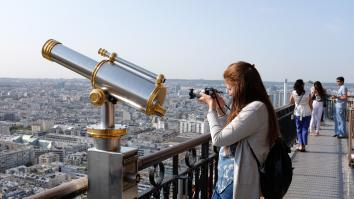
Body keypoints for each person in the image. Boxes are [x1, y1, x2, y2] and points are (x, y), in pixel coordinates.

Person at [199, 61, 279, 198]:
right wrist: (220, 108)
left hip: (236, 182)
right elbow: (231, 132)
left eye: (230, 88)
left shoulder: (255, 109)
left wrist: (211, 108)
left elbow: (218, 139)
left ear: (241, 86)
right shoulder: (255, 107)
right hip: (226, 180)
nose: (229, 94)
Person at [289, 79, 312, 152]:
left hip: (298, 112)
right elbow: (310, 103)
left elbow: (291, 102)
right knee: (305, 129)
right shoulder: (307, 93)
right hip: (307, 112)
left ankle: (301, 145)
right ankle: (303, 145)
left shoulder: (293, 92)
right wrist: (311, 110)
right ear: (302, 85)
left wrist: (296, 103)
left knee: (299, 129)